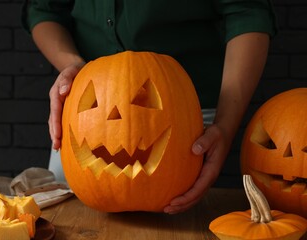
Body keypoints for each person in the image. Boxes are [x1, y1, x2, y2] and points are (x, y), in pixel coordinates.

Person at [21, 0, 277, 214]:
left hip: (189, 117)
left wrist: (226, 125)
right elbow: (43, 10)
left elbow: (247, 12)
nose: (118, 117)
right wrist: (76, 68)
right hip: (87, 113)